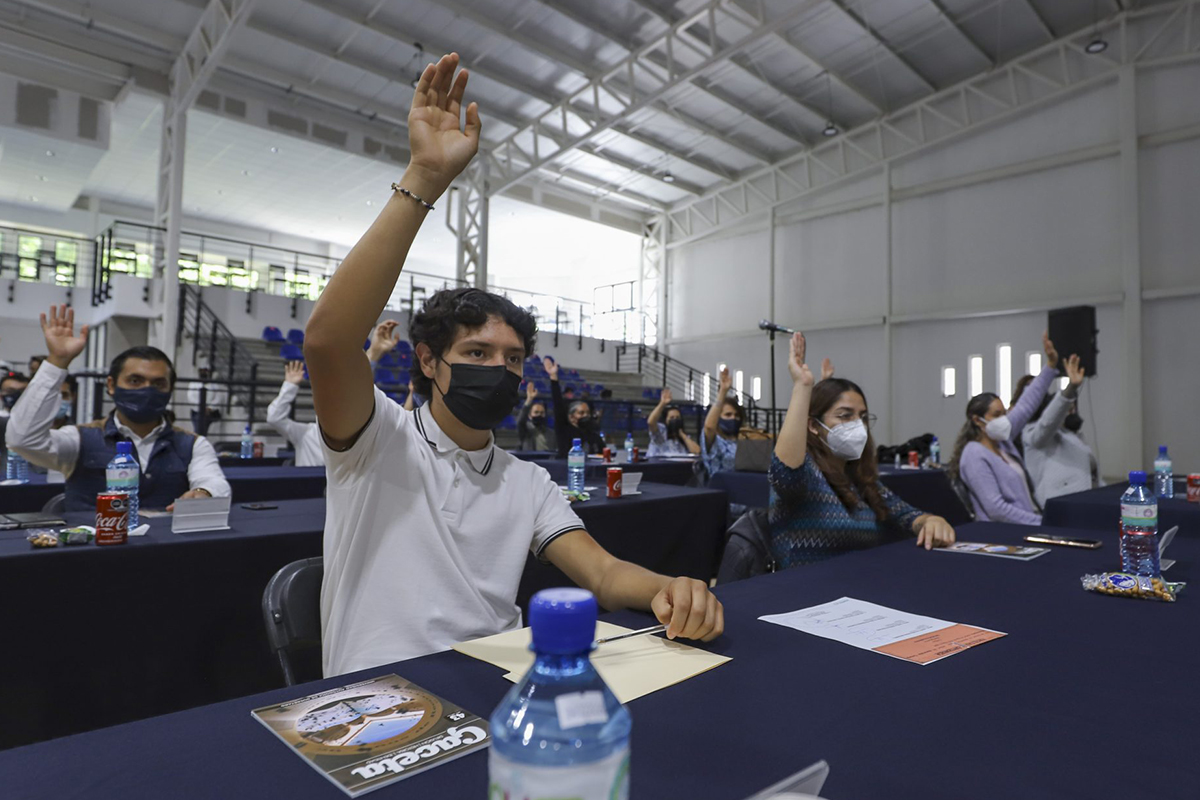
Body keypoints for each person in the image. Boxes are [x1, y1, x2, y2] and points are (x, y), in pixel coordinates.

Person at [303, 52, 722, 677]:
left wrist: (670, 589)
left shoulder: (526, 483)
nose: (499, 370)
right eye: (476, 353)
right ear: (429, 360)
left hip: (501, 688)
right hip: (379, 699)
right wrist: (423, 175)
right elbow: (329, 342)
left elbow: (604, 575)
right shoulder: (375, 440)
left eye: (513, 359)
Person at [7, 305, 230, 510]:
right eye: (135, 381)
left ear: (170, 389)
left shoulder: (193, 445)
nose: (146, 389)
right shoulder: (79, 438)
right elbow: (22, 440)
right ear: (112, 385)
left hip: (164, 549)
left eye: (158, 383)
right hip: (90, 549)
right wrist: (57, 361)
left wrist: (204, 493)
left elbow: (214, 481)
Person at [767, 332, 955, 567]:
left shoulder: (858, 478)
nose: (857, 424)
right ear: (813, 425)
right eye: (845, 415)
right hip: (805, 591)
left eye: (862, 417)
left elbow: (905, 514)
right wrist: (803, 386)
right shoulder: (805, 474)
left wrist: (929, 520)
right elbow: (784, 473)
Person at [948, 332, 1060, 524]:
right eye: (996, 415)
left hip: (1028, 523)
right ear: (977, 420)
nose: (1003, 419)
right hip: (1004, 532)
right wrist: (1040, 521)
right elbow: (996, 509)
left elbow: (1026, 404)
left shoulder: (1003, 442)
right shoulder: (974, 454)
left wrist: (1050, 366)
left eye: (1004, 413)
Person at [268, 324, 414, 467]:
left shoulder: (357, 436)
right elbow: (274, 418)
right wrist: (290, 386)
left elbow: (397, 427)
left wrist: (374, 355)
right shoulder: (305, 434)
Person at [1017, 353, 1098, 504]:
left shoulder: (1068, 434)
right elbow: (1048, 422)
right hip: (1062, 505)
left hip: (1085, 501)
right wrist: (1070, 388)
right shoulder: (1031, 433)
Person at [545, 356, 604, 457]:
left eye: (587, 413)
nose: (586, 415)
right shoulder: (564, 430)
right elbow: (558, 406)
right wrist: (554, 378)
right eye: (581, 413)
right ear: (571, 417)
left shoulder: (594, 435)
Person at [701, 367, 743, 477]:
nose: (733, 418)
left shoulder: (743, 440)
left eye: (736, 415)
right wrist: (723, 392)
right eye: (728, 415)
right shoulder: (715, 439)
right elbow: (709, 427)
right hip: (720, 486)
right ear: (718, 417)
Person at [646, 388, 699, 457]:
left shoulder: (683, 438)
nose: (675, 420)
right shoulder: (661, 433)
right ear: (666, 420)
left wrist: (681, 434)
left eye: (677, 418)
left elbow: (697, 451)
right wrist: (662, 404)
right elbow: (651, 422)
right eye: (672, 418)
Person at [185, 366, 227, 435]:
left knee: (203, 430)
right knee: (198, 430)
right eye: (201, 371)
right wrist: (202, 407)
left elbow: (218, 397)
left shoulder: (213, 384)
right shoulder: (193, 384)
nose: (203, 372)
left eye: (205, 371)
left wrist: (210, 408)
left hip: (209, 412)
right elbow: (191, 397)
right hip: (196, 411)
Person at [515, 380, 555, 452]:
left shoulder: (551, 433)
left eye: (542, 412)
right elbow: (520, 421)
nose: (539, 415)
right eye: (536, 412)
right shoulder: (525, 430)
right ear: (530, 415)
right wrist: (529, 400)